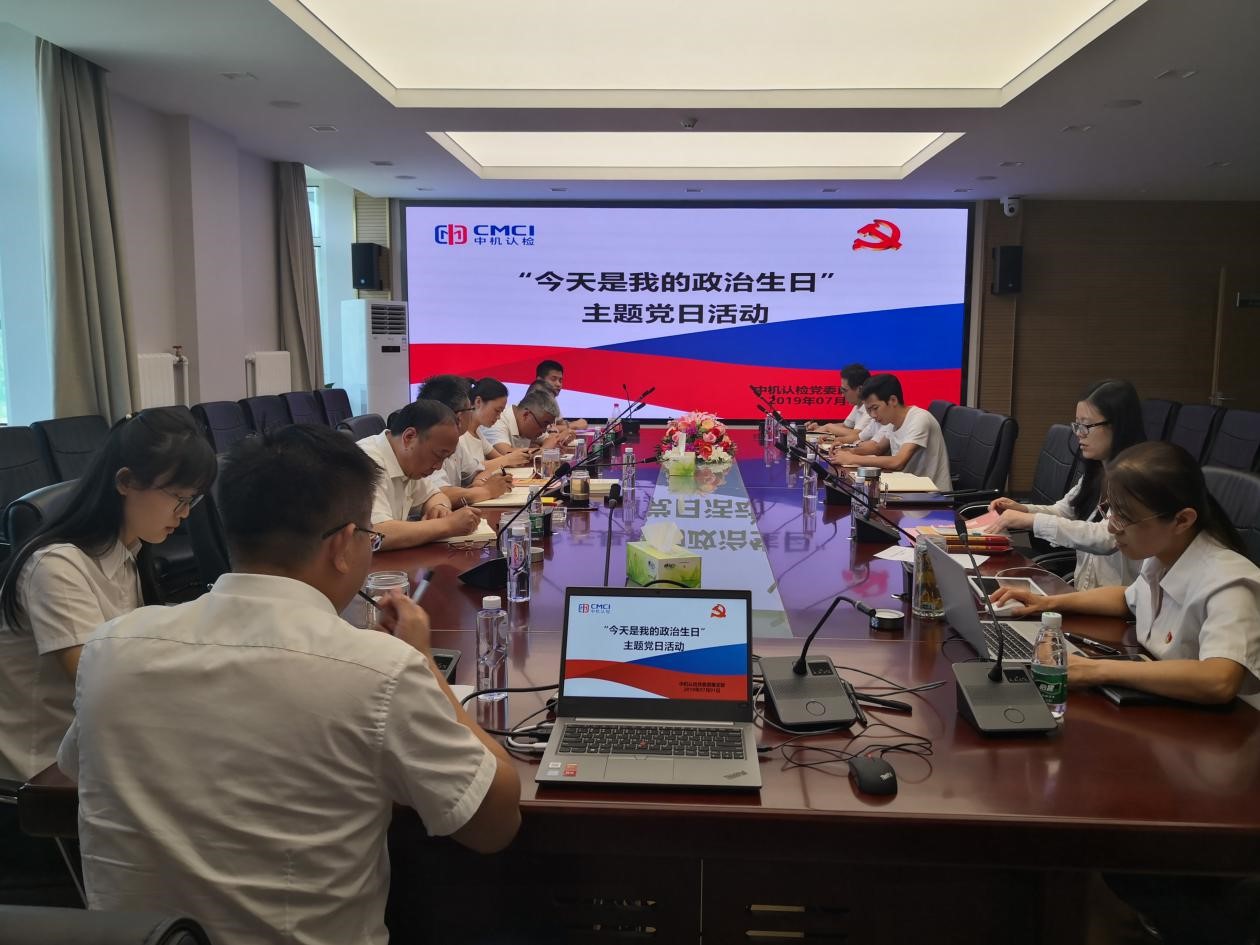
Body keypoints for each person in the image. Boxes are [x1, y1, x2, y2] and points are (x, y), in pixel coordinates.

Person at [58, 425, 521, 944]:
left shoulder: (109, 648)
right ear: (343, 545)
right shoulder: (380, 671)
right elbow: (494, 823)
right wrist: (425, 665)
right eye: (369, 538)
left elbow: (77, 770)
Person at [0, 407, 216, 782]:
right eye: (178, 497)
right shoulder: (56, 567)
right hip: (41, 774)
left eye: (192, 500)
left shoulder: (127, 553)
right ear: (126, 481)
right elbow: (100, 686)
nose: (184, 514)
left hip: (97, 749)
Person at [992, 441, 1260, 706]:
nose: (1111, 528)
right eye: (1111, 512)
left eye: (1125, 518)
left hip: (1225, 726)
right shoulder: (1162, 554)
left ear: (1182, 520)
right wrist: (1047, 603)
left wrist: (1097, 669)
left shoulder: (1230, 582)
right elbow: (1127, 598)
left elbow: (1219, 680)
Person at [981, 378, 1147, 589]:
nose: (1079, 433)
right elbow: (1066, 510)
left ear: (1118, 425)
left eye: (1086, 426)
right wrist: (1023, 510)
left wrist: (1032, 521)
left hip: (1118, 600)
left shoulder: (1138, 479)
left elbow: (1108, 537)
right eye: (1077, 425)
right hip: (1084, 593)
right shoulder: (1098, 470)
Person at [356, 399, 482, 550]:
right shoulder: (364, 462)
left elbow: (435, 495)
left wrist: (439, 508)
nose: (438, 467)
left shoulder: (407, 460)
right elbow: (373, 535)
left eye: (445, 459)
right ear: (409, 437)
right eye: (438, 456)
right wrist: (447, 525)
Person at [830, 373, 952, 491]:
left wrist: (852, 459)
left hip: (931, 494)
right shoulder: (891, 421)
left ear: (893, 400)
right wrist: (845, 449)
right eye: (869, 410)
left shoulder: (919, 418)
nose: (873, 415)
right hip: (906, 487)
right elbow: (878, 448)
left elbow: (898, 462)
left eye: (875, 408)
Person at [415, 374, 513, 507]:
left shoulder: (455, 440)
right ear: (459, 417)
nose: (472, 413)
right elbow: (439, 493)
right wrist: (486, 491)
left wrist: (478, 483)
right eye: (470, 409)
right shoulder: (425, 445)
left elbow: (479, 471)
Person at [481, 385, 568, 455]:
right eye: (543, 425)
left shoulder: (535, 420)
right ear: (526, 415)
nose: (545, 430)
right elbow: (507, 454)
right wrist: (544, 450)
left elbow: (549, 440)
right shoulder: (497, 419)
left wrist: (554, 446)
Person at [467, 377, 530, 470]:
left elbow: (499, 458)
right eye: (497, 410)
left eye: (501, 412)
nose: (499, 417)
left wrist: (514, 459)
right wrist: (508, 459)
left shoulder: (477, 433)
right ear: (478, 402)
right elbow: (470, 468)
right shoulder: (461, 435)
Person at [807, 363, 873, 442]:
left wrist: (828, 427)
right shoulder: (858, 404)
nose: (842, 395)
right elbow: (846, 427)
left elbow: (857, 435)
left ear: (860, 389)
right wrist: (820, 428)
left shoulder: (871, 407)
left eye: (844, 390)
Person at [535, 358, 588, 430]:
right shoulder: (532, 403)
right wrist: (574, 426)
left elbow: (560, 423)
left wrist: (577, 423)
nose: (558, 384)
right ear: (539, 381)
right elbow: (544, 430)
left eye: (560, 380)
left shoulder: (551, 400)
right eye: (553, 379)